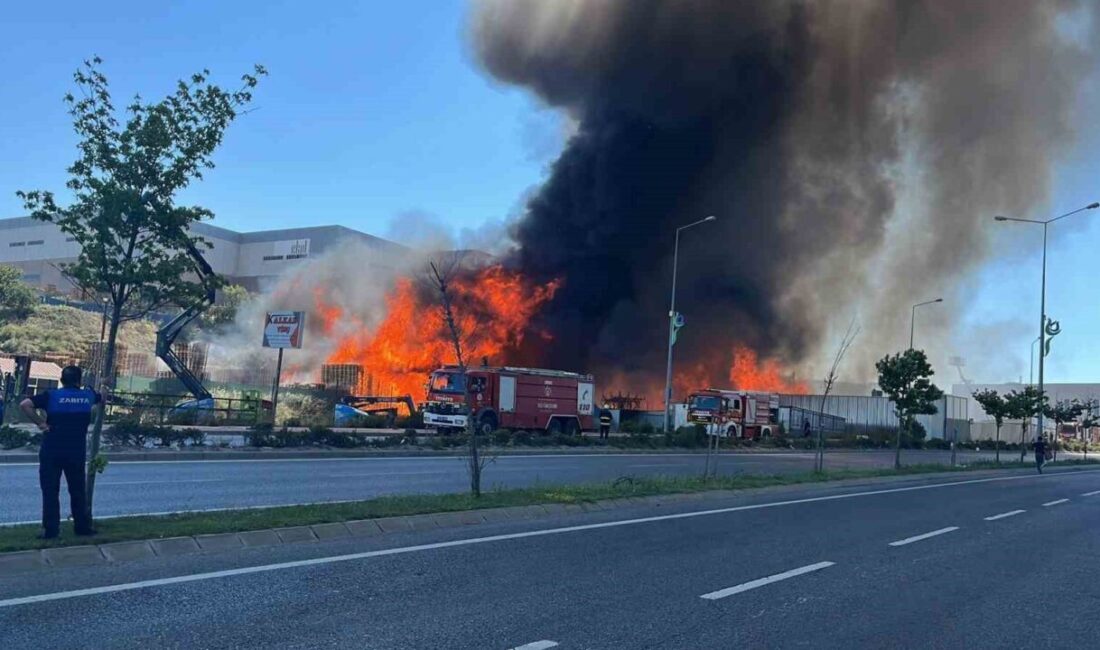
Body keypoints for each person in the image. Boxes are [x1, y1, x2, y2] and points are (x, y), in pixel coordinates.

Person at [20, 366, 100, 539]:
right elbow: (102, 398)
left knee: (50, 490)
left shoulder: (51, 396)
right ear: (79, 381)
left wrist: (41, 424)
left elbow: (25, 404)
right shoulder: (87, 396)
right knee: (77, 490)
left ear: (62, 380)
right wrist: (104, 385)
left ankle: (51, 530)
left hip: (52, 448)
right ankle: (82, 527)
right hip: (75, 450)